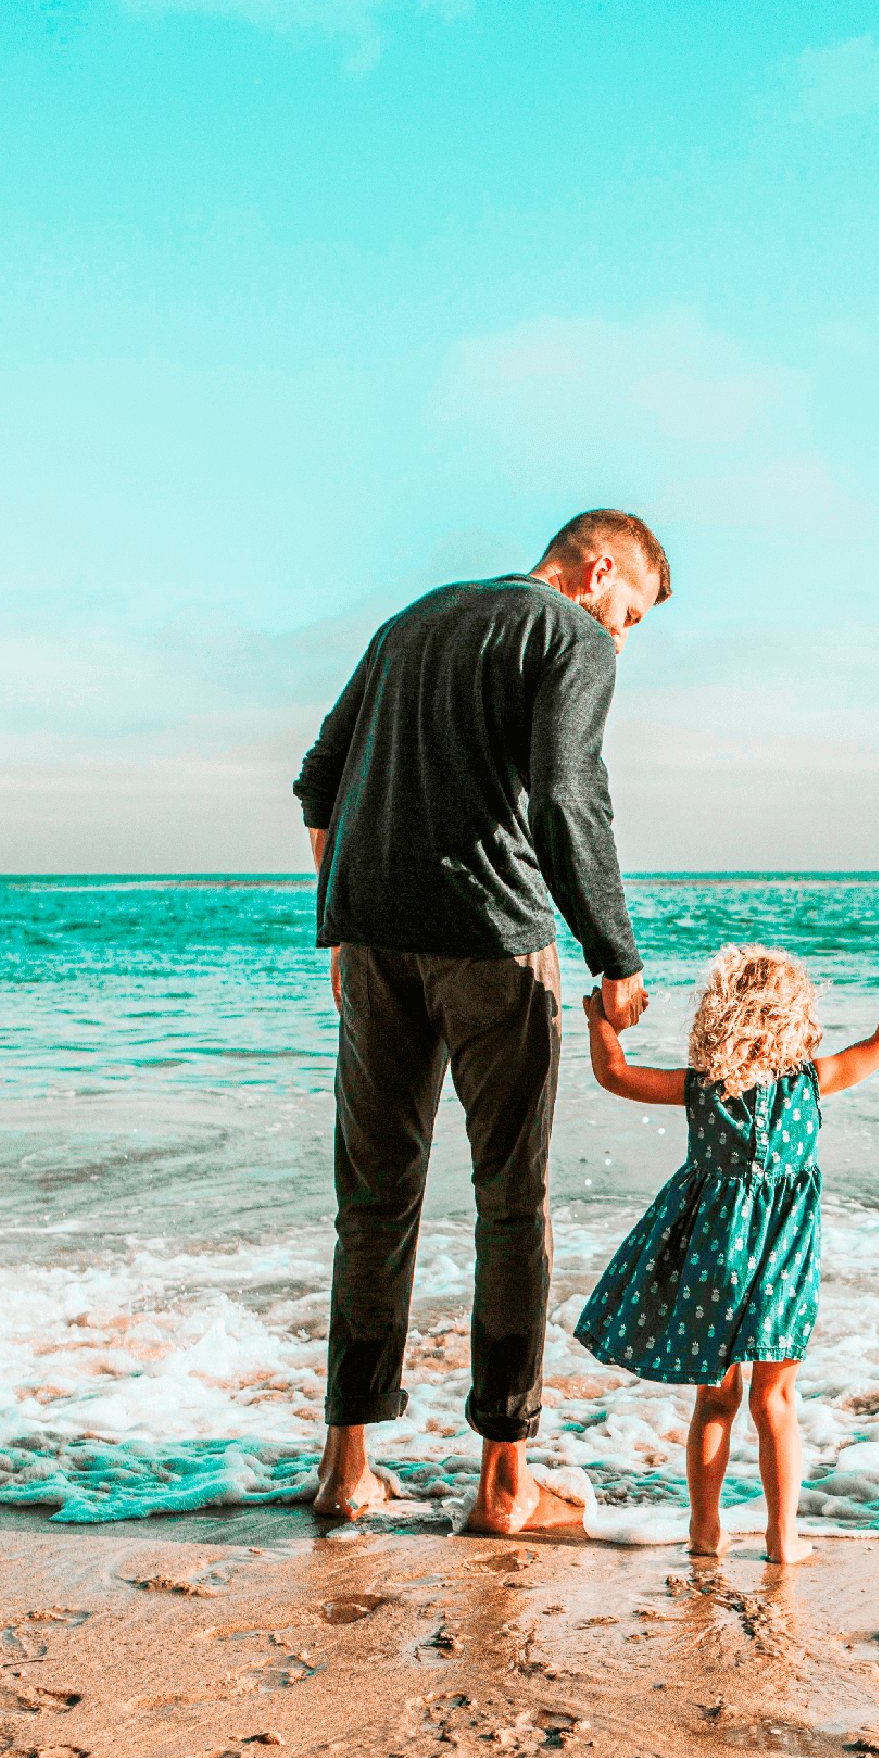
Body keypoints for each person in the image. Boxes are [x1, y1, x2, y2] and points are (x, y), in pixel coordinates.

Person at [291, 509, 669, 1531]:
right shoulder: (570, 635)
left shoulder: (413, 621)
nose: (622, 635)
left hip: (369, 939)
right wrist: (613, 952)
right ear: (597, 573)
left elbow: (318, 777)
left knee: (373, 1201)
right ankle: (503, 1483)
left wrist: (342, 921)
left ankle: (346, 1469)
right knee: (510, 1205)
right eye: (629, 613)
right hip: (493, 942)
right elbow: (565, 795)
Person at [572, 943, 879, 1563]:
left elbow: (616, 1076)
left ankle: (705, 1533)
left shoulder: (701, 1088)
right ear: (795, 1016)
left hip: (713, 1257)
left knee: (715, 1399)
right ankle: (781, 1538)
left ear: (718, 1014)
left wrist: (599, 1020)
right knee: (775, 1400)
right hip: (784, 1260)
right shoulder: (811, 1080)